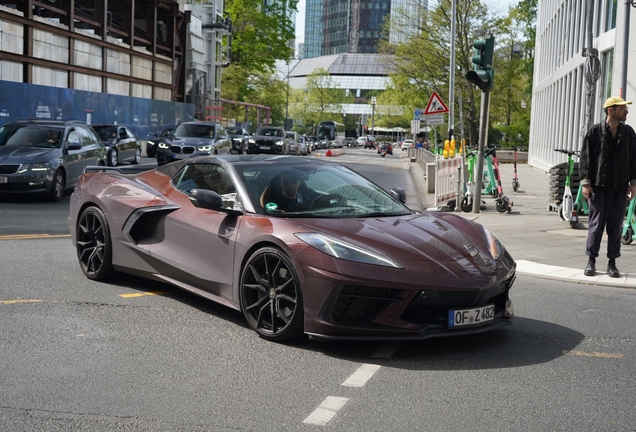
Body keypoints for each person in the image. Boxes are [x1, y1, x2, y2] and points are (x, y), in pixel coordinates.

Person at [580, 96, 636, 278]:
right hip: (599, 187)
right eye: (622, 109)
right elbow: (586, 159)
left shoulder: (628, 133)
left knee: (615, 226)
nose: (626, 112)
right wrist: (586, 184)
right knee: (596, 225)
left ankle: (612, 263)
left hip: (620, 188)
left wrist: (634, 184)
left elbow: (634, 160)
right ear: (610, 110)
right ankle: (591, 261)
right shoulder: (595, 132)